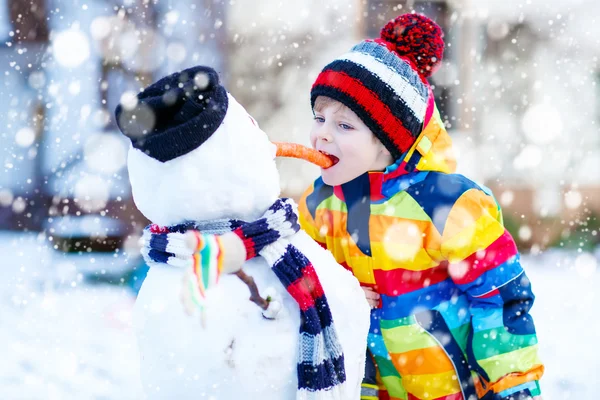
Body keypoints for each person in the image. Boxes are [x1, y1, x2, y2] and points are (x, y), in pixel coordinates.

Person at [298, 13, 544, 400]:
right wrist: (334, 294)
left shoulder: (448, 204)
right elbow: (300, 280)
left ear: (388, 142)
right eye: (319, 117)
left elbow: (499, 296)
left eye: (344, 126)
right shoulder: (319, 205)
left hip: (448, 390)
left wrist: (512, 385)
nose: (322, 133)